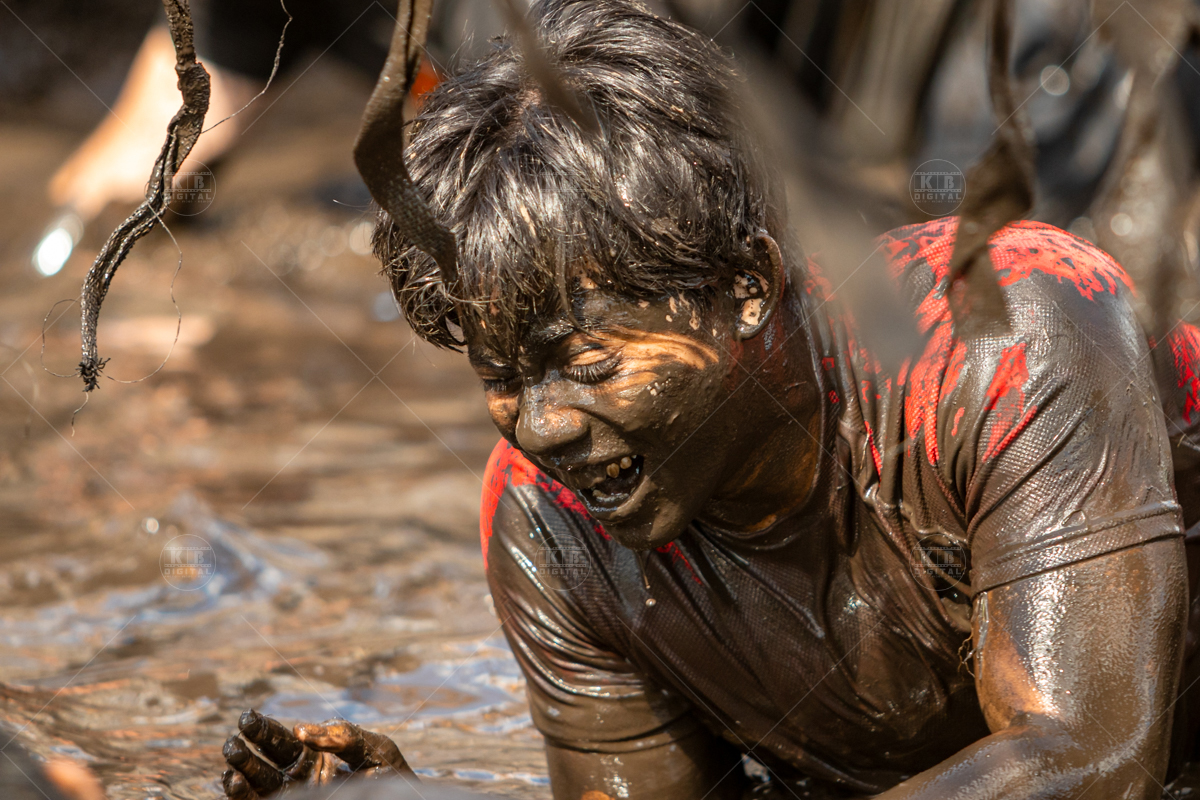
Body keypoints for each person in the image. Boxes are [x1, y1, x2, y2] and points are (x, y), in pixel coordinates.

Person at [219, 0, 1200, 797]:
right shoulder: (544, 527)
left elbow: (1089, 760)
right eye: (500, 377)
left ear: (746, 286)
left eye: (590, 365)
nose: (544, 425)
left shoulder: (1004, 331)